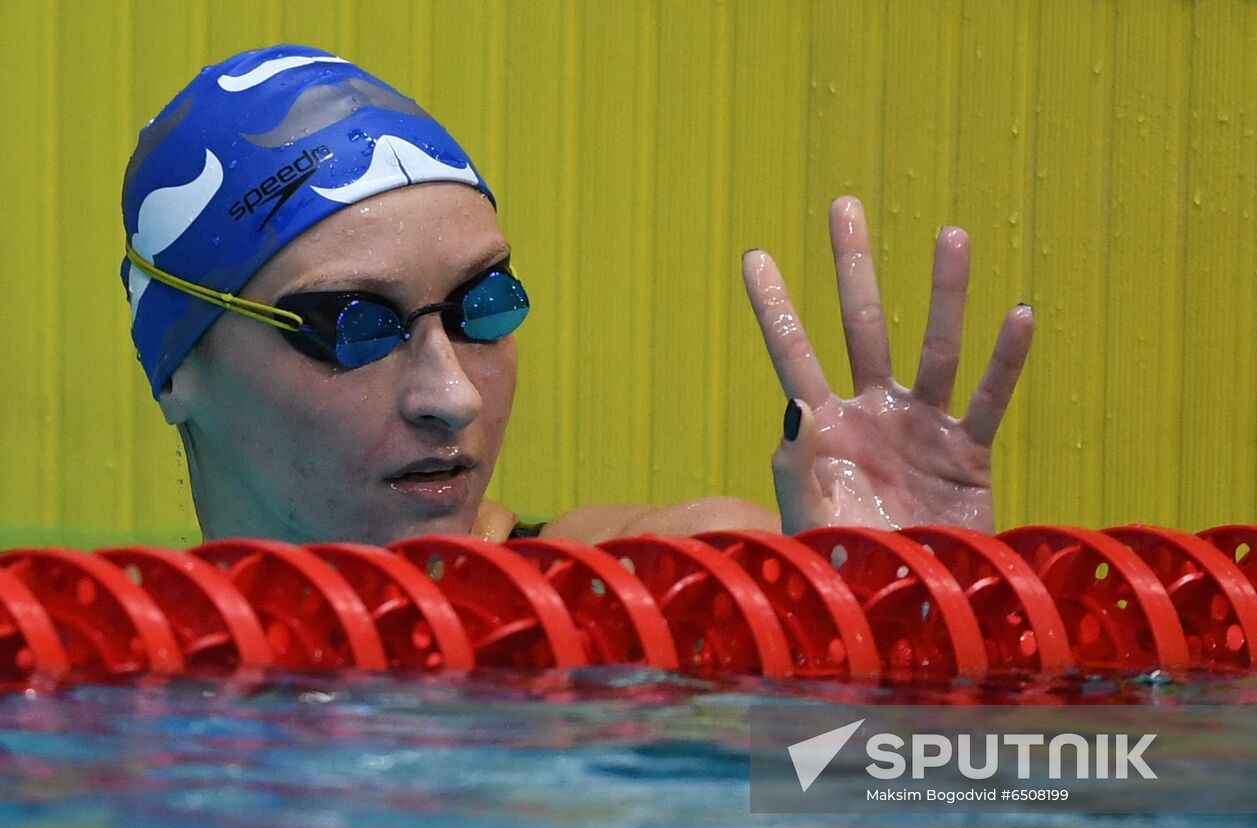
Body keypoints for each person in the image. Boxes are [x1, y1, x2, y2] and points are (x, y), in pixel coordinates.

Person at [121, 46, 1034, 547]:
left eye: (484, 305)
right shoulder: (92, 677)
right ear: (178, 368)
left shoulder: (645, 591)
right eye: (356, 326)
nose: (453, 396)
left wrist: (898, 612)